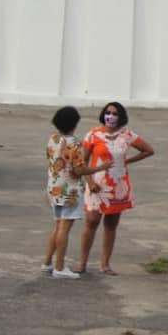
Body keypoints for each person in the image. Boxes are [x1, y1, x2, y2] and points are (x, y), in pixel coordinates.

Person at [77, 102, 155, 276]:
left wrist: (127, 161)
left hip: (118, 185)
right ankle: (82, 263)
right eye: (108, 113)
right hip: (97, 183)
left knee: (111, 225)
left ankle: (105, 264)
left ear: (121, 117)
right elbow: (82, 162)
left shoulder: (127, 135)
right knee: (91, 221)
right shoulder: (93, 135)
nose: (110, 117)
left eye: (115, 114)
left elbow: (148, 150)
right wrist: (89, 182)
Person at [43, 106, 106, 278]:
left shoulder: (53, 139)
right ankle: (59, 266)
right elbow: (78, 170)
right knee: (65, 227)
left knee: (57, 226)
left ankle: (48, 262)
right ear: (74, 123)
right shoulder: (74, 144)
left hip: (54, 186)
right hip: (69, 190)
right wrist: (100, 168)